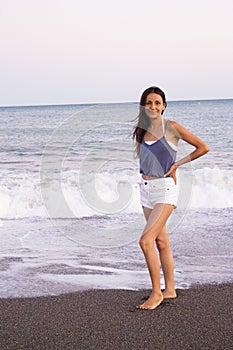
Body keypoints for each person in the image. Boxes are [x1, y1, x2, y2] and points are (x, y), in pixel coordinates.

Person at [132, 86, 209, 310]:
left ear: (164, 105)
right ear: (143, 106)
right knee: (161, 241)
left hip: (165, 190)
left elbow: (202, 147)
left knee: (145, 241)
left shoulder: (172, 128)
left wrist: (177, 164)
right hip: (146, 190)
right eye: (149, 103)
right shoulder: (142, 131)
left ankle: (156, 293)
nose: (153, 107)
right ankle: (170, 289)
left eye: (157, 102)